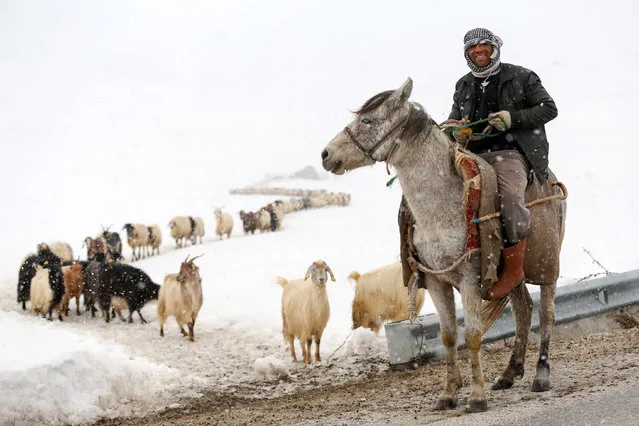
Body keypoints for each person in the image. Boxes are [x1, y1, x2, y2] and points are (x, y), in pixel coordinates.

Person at [442, 27, 558, 299]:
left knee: (510, 200)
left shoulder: (522, 76)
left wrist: (512, 119)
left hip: (509, 153)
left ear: (495, 48)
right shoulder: (463, 84)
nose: (478, 50)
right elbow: (454, 119)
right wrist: (456, 130)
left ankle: (514, 270)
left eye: (484, 45)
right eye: (472, 47)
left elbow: (549, 109)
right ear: (467, 53)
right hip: (472, 155)